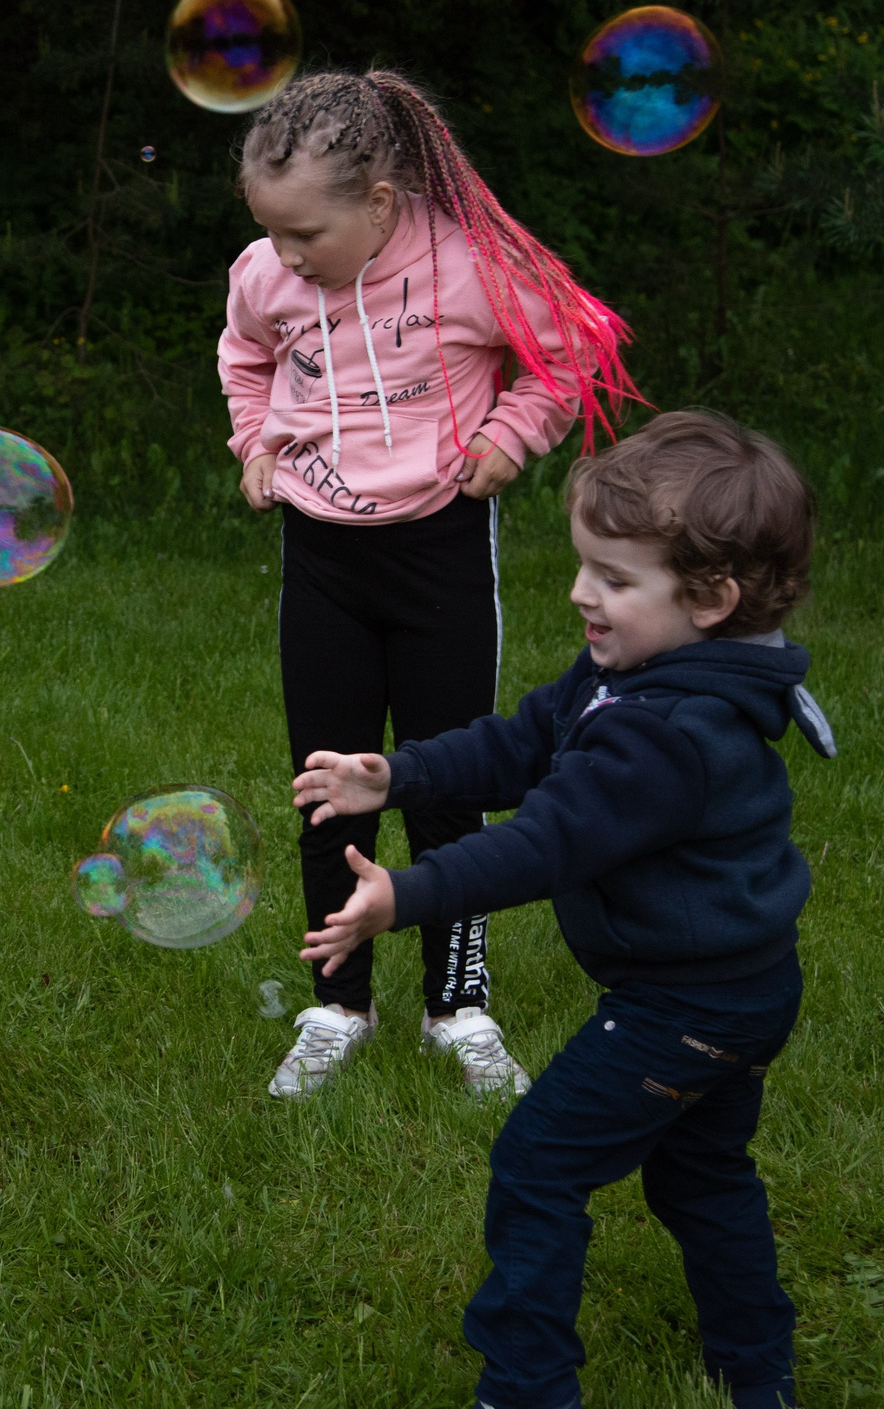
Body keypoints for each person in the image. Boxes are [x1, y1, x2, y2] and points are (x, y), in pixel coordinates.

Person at [293, 410, 831, 1409]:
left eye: (616, 579)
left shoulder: (672, 733)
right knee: (700, 1173)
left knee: (537, 1162)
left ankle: (527, 1384)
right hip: (740, 992)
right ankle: (757, 1371)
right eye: (584, 564)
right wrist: (396, 772)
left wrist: (403, 894)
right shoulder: (631, 673)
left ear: (710, 598)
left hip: (682, 1009)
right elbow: (524, 737)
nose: (582, 593)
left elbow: (544, 841)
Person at [218, 69, 640, 1100]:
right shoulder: (264, 276)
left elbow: (567, 355)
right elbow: (245, 357)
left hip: (439, 553)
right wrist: (253, 444)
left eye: (305, 234)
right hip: (321, 558)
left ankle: (458, 1002)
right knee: (327, 782)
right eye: (270, 234)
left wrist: (511, 433)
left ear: (380, 206)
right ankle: (337, 1000)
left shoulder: (468, 267)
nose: (285, 257)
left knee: (445, 777)